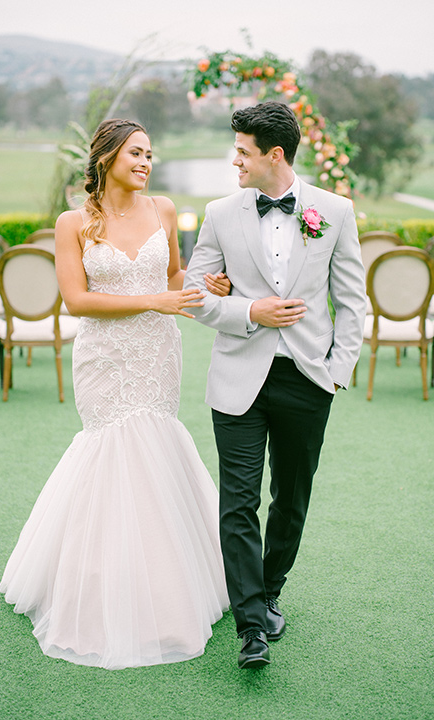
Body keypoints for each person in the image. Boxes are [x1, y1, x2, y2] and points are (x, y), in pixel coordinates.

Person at [0, 118, 231, 670]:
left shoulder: (165, 211)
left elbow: (173, 279)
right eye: (136, 153)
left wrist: (202, 288)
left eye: (150, 153)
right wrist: (155, 299)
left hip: (157, 352)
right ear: (106, 157)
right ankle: (97, 586)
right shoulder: (73, 222)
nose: (146, 162)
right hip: (105, 356)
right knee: (112, 448)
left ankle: (172, 585)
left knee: (155, 445)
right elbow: (76, 300)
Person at [184, 101, 366, 669]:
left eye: (242, 152)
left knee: (290, 498)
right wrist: (248, 311)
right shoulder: (218, 212)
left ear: (274, 154)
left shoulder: (335, 211)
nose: (234, 160)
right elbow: (198, 294)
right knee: (237, 502)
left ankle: (271, 587)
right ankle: (251, 624)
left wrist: (336, 372)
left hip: (308, 379)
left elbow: (353, 301)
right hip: (238, 375)